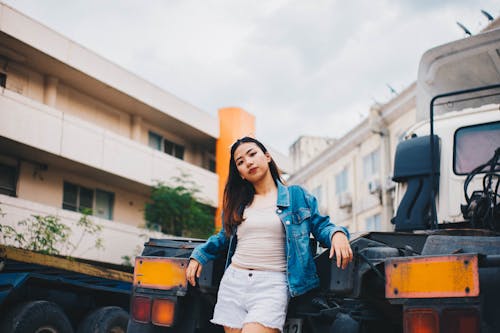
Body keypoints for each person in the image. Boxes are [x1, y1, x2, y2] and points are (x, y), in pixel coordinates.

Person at [186, 136, 353, 333]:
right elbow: (223, 237)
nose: (248, 162)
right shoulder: (238, 204)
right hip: (234, 282)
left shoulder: (296, 196)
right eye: (240, 162)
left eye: (252, 154)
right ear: (240, 173)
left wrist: (337, 234)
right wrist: (199, 255)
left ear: (266, 156)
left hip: (272, 284)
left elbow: (321, 225)